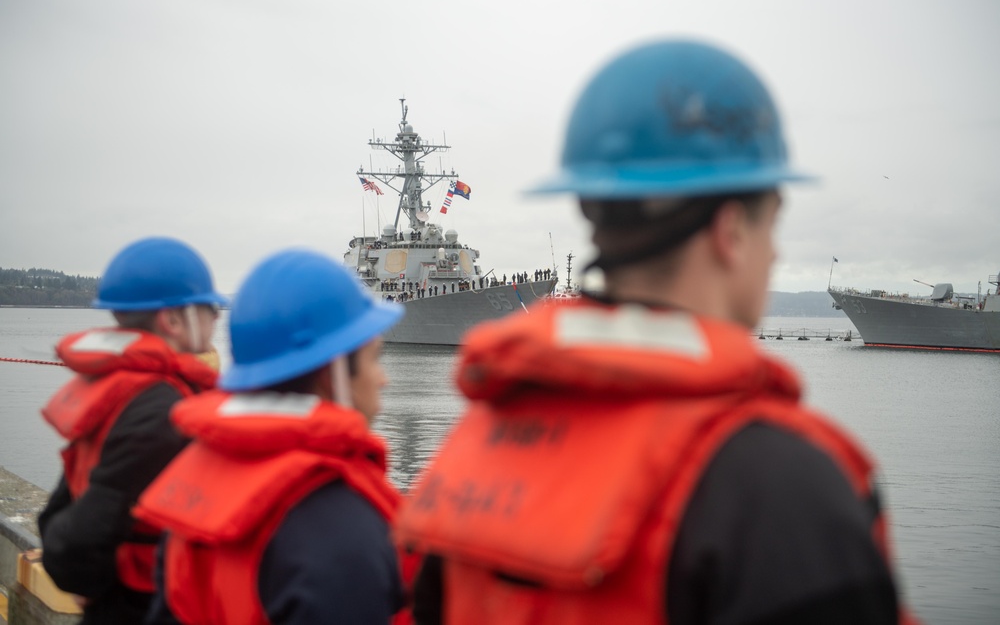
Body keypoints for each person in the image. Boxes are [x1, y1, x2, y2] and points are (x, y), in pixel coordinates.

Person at [396, 40, 919, 624]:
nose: (776, 253)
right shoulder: (784, 485)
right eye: (773, 220)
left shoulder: (466, 452)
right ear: (731, 231)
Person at [136, 249, 414, 624]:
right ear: (332, 371)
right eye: (373, 359)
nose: (383, 379)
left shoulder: (193, 483)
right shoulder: (344, 536)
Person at [38, 236, 226, 624]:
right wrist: (104, 594)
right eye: (210, 308)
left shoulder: (123, 393)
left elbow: (57, 513)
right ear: (174, 319)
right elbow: (73, 546)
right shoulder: (163, 415)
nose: (217, 319)